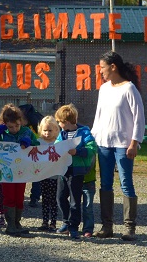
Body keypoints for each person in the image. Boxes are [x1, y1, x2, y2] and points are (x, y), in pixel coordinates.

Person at [91, 51, 145, 241]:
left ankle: (129, 227)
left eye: (103, 68)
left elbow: (139, 118)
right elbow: (99, 116)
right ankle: (107, 227)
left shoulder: (129, 89)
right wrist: (93, 138)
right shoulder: (104, 89)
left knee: (126, 183)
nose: (101, 72)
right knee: (105, 184)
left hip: (123, 145)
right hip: (103, 143)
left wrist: (134, 142)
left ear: (113, 67)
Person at [0, 104, 38, 237]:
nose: (14, 129)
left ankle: (17, 222)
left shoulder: (26, 132)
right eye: (10, 127)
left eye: (17, 126)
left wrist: (29, 141)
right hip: (6, 171)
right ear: (5, 124)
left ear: (21, 122)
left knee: (19, 197)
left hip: (21, 171)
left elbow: (37, 145)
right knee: (9, 197)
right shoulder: (2, 134)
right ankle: (10, 224)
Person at [54, 104, 97, 240]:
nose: (59, 124)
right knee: (60, 197)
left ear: (66, 121)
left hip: (77, 171)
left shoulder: (84, 132)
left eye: (59, 122)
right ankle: (66, 222)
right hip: (63, 170)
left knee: (74, 200)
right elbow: (56, 145)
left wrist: (77, 152)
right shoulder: (62, 134)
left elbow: (92, 148)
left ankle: (73, 227)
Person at [35, 116, 60, 232]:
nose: (47, 133)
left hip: (55, 176)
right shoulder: (39, 142)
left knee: (54, 199)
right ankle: (45, 221)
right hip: (43, 175)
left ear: (55, 130)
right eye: (45, 130)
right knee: (45, 199)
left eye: (50, 130)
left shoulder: (59, 142)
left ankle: (53, 222)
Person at [19, 103, 44, 208]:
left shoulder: (31, 121)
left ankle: (33, 197)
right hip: (38, 149)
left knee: (35, 175)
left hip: (34, 149)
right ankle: (34, 197)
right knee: (37, 174)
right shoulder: (38, 117)